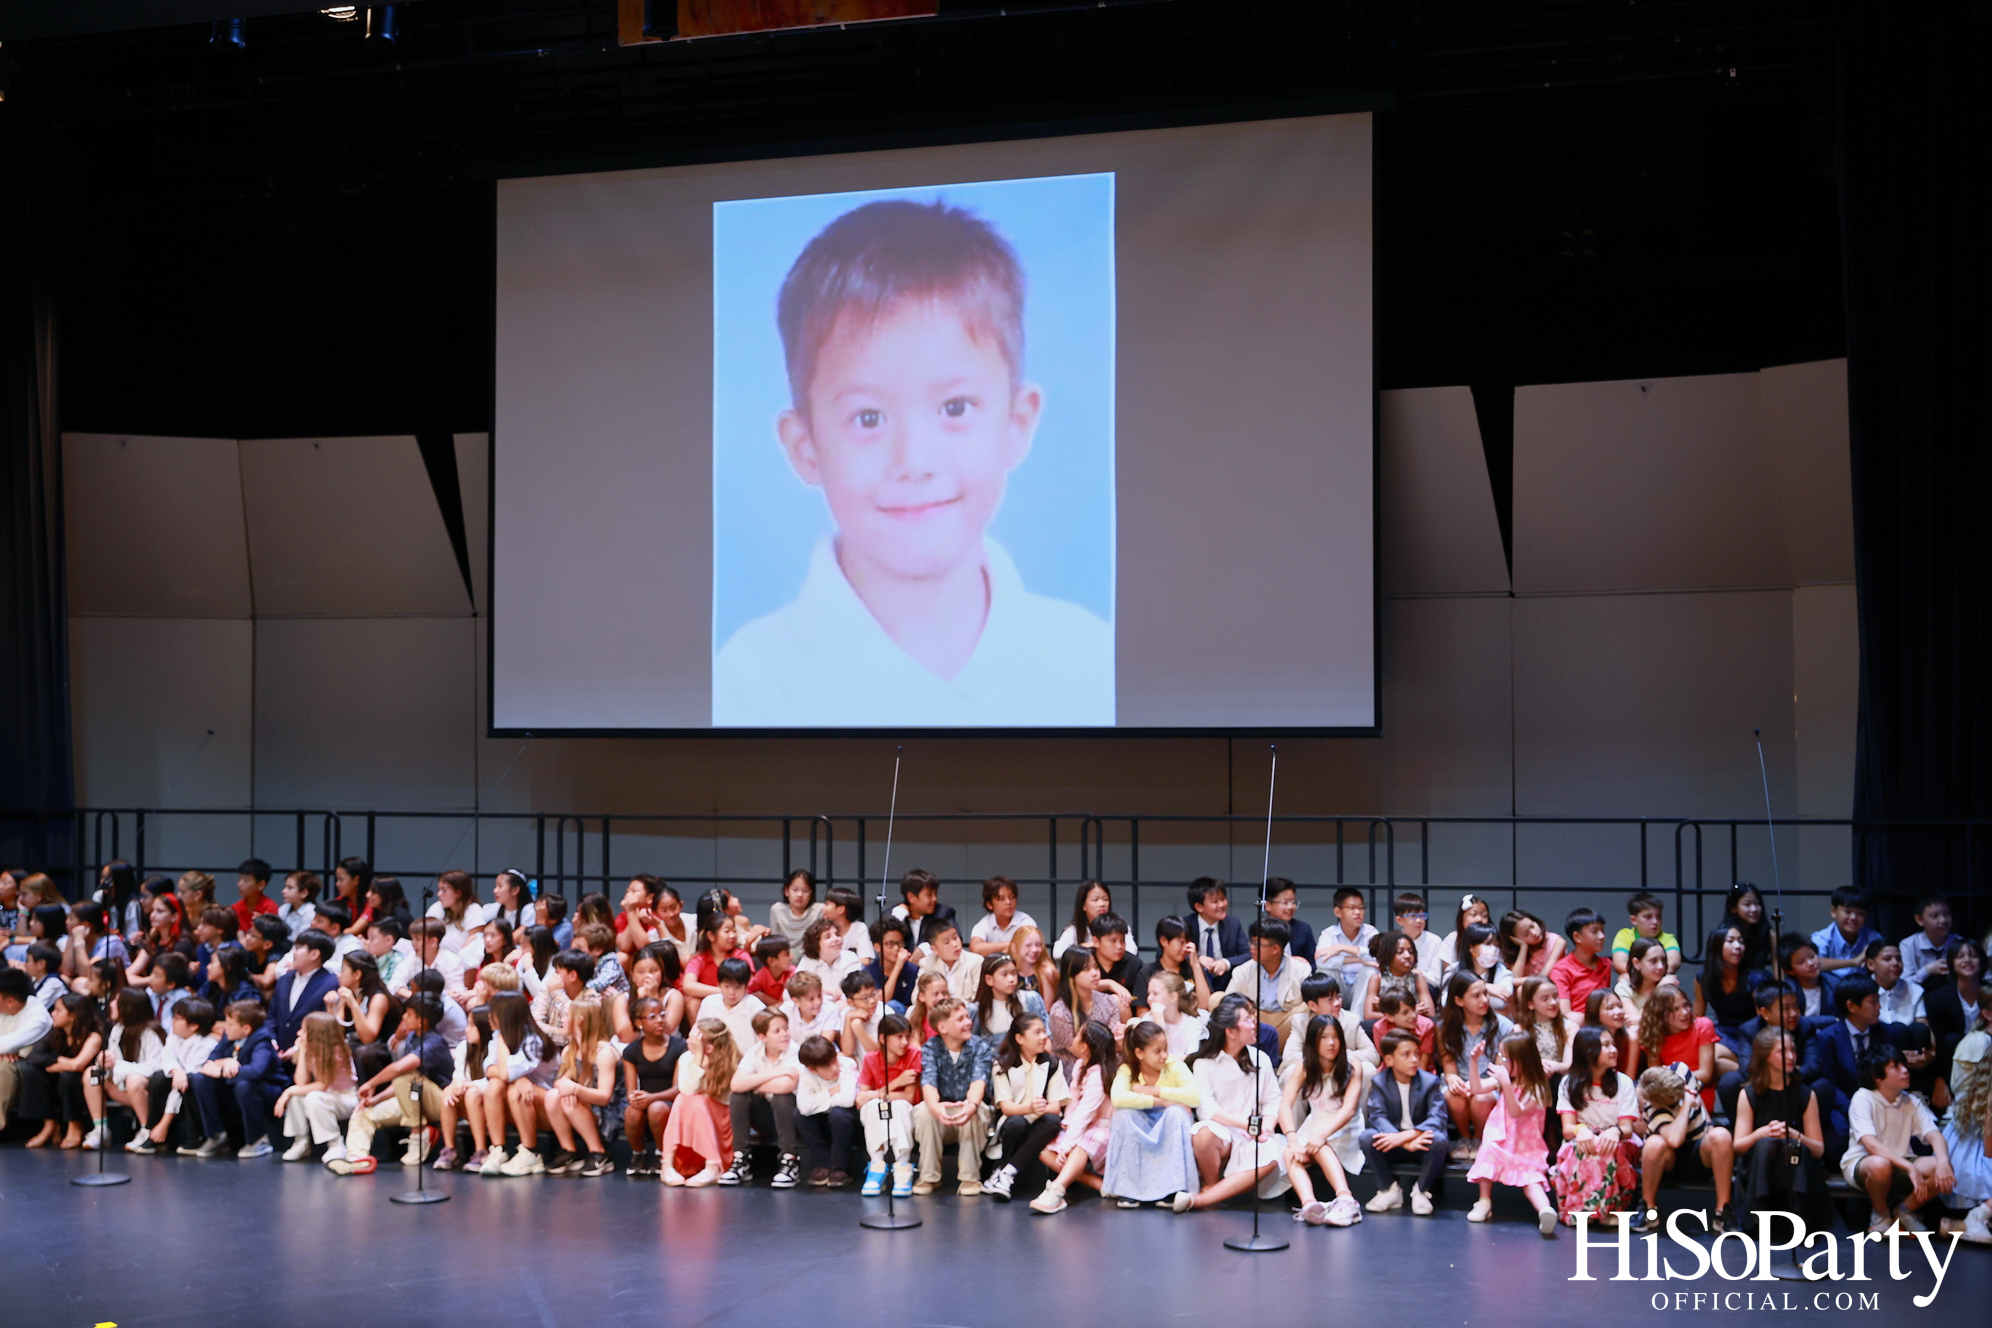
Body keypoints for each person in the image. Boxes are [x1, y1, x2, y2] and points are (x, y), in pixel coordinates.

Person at [712, 196, 1111, 727]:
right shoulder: (748, 683)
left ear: (1016, 424)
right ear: (805, 448)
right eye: (868, 418)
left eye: (955, 408)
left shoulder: (1088, 660)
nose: (914, 461)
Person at [1181, 993, 1288, 1211]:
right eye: (1247, 1020)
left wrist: (1266, 1128)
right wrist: (1245, 1125)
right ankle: (1210, 1184)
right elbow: (1207, 1109)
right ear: (1230, 1031)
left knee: (1274, 1151)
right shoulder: (1204, 1063)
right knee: (1203, 1134)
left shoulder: (1260, 1059)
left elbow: (1272, 1100)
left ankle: (1205, 1198)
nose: (1254, 1023)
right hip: (1223, 1131)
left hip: (1253, 1134)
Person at [328, 993, 452, 1174]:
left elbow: (401, 1070)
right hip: (414, 1099)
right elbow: (403, 1086)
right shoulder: (412, 1038)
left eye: (409, 1014)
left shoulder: (435, 1042)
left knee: (404, 1076)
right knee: (364, 1113)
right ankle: (357, 1159)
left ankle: (420, 1133)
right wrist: (375, 1099)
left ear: (421, 1021)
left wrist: (371, 1084)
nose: (404, 1017)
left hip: (442, 1103)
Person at [1732, 1023, 1835, 1237]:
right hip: (1760, 1166)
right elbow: (1739, 1145)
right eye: (1782, 1051)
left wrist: (1794, 1134)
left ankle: (1799, 1218)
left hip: (1797, 1166)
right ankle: (1760, 1218)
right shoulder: (1749, 1094)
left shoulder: (1805, 1094)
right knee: (1767, 1144)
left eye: (1793, 1050)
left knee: (1792, 1146)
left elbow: (1818, 1149)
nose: (1791, 1056)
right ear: (1766, 1056)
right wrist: (1762, 1133)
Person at [1844, 1047, 1953, 1234]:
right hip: (1864, 1163)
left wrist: (1943, 1162)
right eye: (1896, 1066)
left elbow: (1935, 1135)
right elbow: (1870, 1144)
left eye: (1904, 1065)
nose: (1905, 1070)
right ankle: (1880, 1214)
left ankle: (1904, 1211)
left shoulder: (1911, 1101)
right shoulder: (1863, 1097)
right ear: (1876, 1076)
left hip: (1901, 1160)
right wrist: (1910, 1167)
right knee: (1880, 1165)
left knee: (1940, 1167)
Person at [1467, 1031, 1558, 1236]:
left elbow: (1516, 1111)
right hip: (1500, 1136)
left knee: (1531, 1180)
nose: (1501, 1062)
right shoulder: (1505, 1081)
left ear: (1522, 1061)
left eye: (1505, 1058)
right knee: (1487, 1153)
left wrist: (1506, 1084)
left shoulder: (1537, 1088)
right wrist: (1474, 1061)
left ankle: (1545, 1210)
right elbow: (1476, 1088)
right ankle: (1484, 1201)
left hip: (1526, 1145)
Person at [1279, 1013, 1365, 1227]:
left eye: (1335, 1037)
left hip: (1345, 1126)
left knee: (1319, 1146)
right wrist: (1292, 1139)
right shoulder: (1304, 1067)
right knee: (1290, 1152)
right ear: (1313, 1041)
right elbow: (1284, 1105)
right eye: (1324, 1037)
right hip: (1315, 1122)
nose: (1331, 1043)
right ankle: (1310, 1205)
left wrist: (1321, 1136)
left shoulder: (1353, 1065)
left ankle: (1346, 1200)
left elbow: (1349, 1110)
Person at [1104, 1019, 1200, 1210]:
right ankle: (1129, 1190)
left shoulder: (1175, 1066)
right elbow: (1118, 1098)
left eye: (1165, 1049)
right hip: (1142, 1120)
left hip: (1167, 1121)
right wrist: (1161, 1102)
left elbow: (1194, 1097)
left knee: (1176, 1113)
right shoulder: (1127, 1070)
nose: (1164, 1055)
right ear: (1139, 1053)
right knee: (1123, 1116)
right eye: (1157, 1051)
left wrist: (1154, 1091)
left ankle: (1172, 1188)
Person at [1550, 1025, 1640, 1226]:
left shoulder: (1623, 1083)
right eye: (1606, 1045)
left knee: (1605, 1148)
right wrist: (1580, 1130)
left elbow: (1627, 1128)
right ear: (1589, 1051)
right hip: (1583, 1137)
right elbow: (1568, 1128)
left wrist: (1615, 1131)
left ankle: (1606, 1211)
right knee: (1584, 1148)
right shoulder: (1569, 1083)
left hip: (1617, 1138)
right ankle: (1583, 1211)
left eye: (1613, 1045)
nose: (1613, 1050)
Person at [1633, 1062, 1734, 1233]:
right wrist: (1686, 1104)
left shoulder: (1681, 1070)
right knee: (1654, 1143)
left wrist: (1708, 1122)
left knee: (1721, 1135)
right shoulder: (1653, 1106)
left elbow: (1697, 1090)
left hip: (1699, 1152)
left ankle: (1723, 1212)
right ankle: (1648, 1209)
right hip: (1668, 1161)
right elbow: (1674, 1140)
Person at [1358, 1026, 1449, 1215]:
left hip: (1420, 1143)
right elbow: (1377, 1116)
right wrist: (1402, 1141)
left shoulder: (1429, 1082)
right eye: (1406, 1055)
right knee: (1367, 1138)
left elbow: (1438, 1118)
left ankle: (1421, 1191)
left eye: (1416, 1054)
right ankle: (1389, 1190)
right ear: (1389, 1060)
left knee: (1439, 1140)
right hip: (1395, 1143)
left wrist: (1407, 1136)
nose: (1414, 1059)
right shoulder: (1380, 1082)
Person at [1031, 1019, 1116, 1214]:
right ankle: (1098, 1184)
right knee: (1044, 1150)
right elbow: (1074, 1103)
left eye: (1078, 1036)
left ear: (1085, 1047)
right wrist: (1067, 1125)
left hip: (1102, 1126)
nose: (1074, 1038)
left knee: (1081, 1144)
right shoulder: (1080, 1065)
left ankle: (1057, 1190)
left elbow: (1085, 1113)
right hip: (1081, 1125)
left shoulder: (1098, 1075)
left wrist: (1069, 1144)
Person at [983, 1013, 1070, 1203]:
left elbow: (1055, 1106)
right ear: (1020, 1038)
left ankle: (1005, 1172)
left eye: (1044, 1031)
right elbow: (1006, 1107)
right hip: (1014, 1119)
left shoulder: (1052, 1063)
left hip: (1041, 1120)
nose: (1044, 1037)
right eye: (1037, 1032)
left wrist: (1039, 1109)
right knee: (1016, 1123)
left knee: (1052, 1121)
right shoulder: (1003, 1064)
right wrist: (1029, 1108)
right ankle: (1003, 1171)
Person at [913, 997, 993, 1196]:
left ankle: (969, 1178)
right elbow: (928, 1083)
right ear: (942, 1027)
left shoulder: (979, 1047)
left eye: (967, 1017)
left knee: (974, 1111)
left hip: (969, 1110)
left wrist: (971, 1105)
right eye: (960, 1019)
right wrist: (936, 1108)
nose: (968, 1022)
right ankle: (928, 1176)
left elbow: (978, 1082)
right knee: (923, 1111)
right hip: (943, 1113)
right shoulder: (931, 1048)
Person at [185, 999, 283, 1159]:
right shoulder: (229, 1036)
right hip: (236, 1086)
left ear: (246, 1028)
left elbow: (255, 1071)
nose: (225, 1027)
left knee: (245, 1085)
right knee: (200, 1079)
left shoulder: (262, 1040)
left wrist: (222, 1072)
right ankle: (216, 1135)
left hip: (267, 1091)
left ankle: (258, 1140)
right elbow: (210, 1062)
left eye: (230, 1024)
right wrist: (226, 1061)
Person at [480, 989, 562, 1177]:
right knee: (495, 1086)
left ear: (507, 1015)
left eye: (494, 1012)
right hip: (526, 1104)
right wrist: (519, 1078)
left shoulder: (533, 1039)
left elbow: (505, 1072)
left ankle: (530, 1152)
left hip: (552, 1107)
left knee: (514, 1091)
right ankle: (498, 1149)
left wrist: (514, 1076)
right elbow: (489, 1069)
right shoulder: (499, 1035)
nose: (489, 1016)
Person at [724, 1007, 805, 1188]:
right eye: (777, 1031)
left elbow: (785, 1086)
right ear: (762, 1037)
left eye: (786, 1028)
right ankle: (741, 1159)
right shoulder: (755, 1052)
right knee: (738, 1096)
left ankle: (790, 1160)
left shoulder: (795, 1051)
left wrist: (753, 1084)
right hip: (766, 1118)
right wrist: (778, 1073)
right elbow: (736, 1084)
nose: (784, 1034)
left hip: (793, 1120)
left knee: (782, 1097)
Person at [128, 997, 219, 1155]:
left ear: (194, 1026)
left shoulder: (207, 1045)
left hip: (197, 1097)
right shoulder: (174, 1036)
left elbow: (182, 1084)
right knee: (158, 1078)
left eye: (178, 1019)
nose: (172, 1022)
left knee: (187, 1082)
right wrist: (177, 1070)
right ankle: (152, 1132)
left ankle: (194, 1137)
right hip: (179, 1086)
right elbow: (166, 1058)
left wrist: (165, 1122)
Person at [1437, 972, 1511, 1158]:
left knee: (1480, 1099)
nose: (1484, 1000)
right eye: (1476, 996)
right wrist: (1452, 1077)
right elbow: (1448, 1062)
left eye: (1485, 993)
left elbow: (1500, 1070)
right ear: (1459, 1000)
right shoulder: (1445, 1027)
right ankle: (1465, 1138)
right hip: (1462, 1080)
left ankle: (1479, 1138)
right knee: (1453, 1096)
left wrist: (1479, 1085)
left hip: (1490, 1083)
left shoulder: (1502, 1026)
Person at [659, 1019, 738, 1186]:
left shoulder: (731, 1059)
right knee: (683, 1099)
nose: (688, 1041)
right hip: (694, 1118)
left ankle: (713, 1165)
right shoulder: (687, 1058)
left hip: (721, 1118)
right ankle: (667, 1165)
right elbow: (687, 1089)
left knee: (698, 1100)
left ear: (709, 1047)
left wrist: (701, 1057)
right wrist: (698, 1058)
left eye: (694, 1039)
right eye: (690, 1037)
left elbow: (725, 1099)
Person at [275, 1011, 357, 1165]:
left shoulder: (337, 1051)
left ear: (317, 1034)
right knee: (297, 1096)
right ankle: (301, 1141)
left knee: (312, 1097)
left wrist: (288, 1091)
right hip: (327, 1096)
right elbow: (301, 1083)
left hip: (346, 1097)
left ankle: (336, 1144)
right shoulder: (310, 1049)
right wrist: (302, 1051)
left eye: (304, 1030)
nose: (298, 1033)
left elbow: (323, 1084)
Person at [855, 1011, 921, 1197]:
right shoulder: (870, 1059)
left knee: (897, 1105)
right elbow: (861, 1100)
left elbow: (908, 1097)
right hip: (879, 1109)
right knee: (873, 1105)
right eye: (899, 1037)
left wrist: (875, 1094)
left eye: (907, 1037)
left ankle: (903, 1165)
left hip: (905, 1109)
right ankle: (877, 1164)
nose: (905, 1042)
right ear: (883, 1039)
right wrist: (896, 1082)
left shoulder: (914, 1055)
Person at [620, 995, 685, 1178]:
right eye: (652, 1017)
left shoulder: (679, 1046)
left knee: (656, 1109)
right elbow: (631, 1090)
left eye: (662, 1015)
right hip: (647, 1101)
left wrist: (651, 1098)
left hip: (670, 1103)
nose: (660, 1020)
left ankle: (662, 1155)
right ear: (639, 1023)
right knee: (631, 1112)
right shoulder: (631, 1051)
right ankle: (638, 1154)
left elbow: (679, 1089)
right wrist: (635, 1097)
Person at [1225, 918, 1308, 1043]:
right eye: (1251, 942)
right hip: (1254, 1023)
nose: (1251, 947)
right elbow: (1228, 1001)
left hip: (1286, 1024)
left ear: (1275, 949)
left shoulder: (1301, 971)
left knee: (1309, 1010)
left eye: (1256, 944)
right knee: (1217, 999)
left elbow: (1309, 1005)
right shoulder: (1243, 970)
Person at [1048, 946, 1125, 1080]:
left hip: (1108, 1064)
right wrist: (1115, 1045)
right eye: (1087, 969)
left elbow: (1115, 1042)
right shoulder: (1059, 1011)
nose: (1095, 973)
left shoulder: (1109, 1002)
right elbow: (1082, 1052)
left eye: (1096, 967)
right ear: (1072, 974)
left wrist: (1121, 1039)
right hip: (1075, 1070)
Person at [793, 1033, 859, 1186]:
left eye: (834, 1060)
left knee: (839, 1114)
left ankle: (840, 1169)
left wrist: (817, 1100)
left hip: (848, 1123)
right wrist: (830, 1092)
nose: (835, 1067)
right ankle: (822, 1164)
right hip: (822, 1122)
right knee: (799, 1115)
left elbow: (847, 1100)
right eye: (826, 1066)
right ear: (812, 1069)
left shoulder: (847, 1065)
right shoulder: (805, 1073)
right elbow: (804, 1107)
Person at [0, 967, 55, 1131]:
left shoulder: (38, 1016)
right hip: (8, 1057)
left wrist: (5, 1050)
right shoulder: (5, 1007)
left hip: (31, 1064)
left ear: (10, 1001)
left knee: (3, 1068)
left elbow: (9, 1044)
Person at [1316, 887, 1381, 1013]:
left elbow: (1378, 956)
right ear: (1338, 912)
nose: (1358, 912)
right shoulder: (1329, 934)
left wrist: (1342, 948)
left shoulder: (1371, 932)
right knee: (1325, 971)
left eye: (1361, 908)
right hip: (1339, 986)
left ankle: (1357, 1019)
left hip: (1361, 986)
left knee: (1371, 971)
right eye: (1352, 908)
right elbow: (1321, 961)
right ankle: (1329, 1016)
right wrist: (1359, 960)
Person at [1811, 886, 1883, 996]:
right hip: (1830, 992)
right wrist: (1853, 962)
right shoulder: (1821, 938)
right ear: (1833, 911)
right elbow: (1814, 964)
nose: (1853, 917)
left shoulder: (1873, 937)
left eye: (1860, 913)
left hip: (1864, 994)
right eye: (1847, 912)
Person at [1136, 917, 1214, 1018]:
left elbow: (1204, 1005)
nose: (1185, 948)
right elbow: (1142, 1014)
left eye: (1188, 942)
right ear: (1163, 941)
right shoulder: (1146, 972)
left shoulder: (1193, 968)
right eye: (1181, 942)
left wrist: (1196, 966)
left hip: (1191, 1023)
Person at [1551, 908, 1614, 1022]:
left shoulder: (1606, 964)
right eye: (1594, 931)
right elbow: (1565, 1013)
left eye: (1602, 931)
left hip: (1604, 1021)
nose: (1602, 936)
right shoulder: (1561, 970)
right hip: (1577, 1024)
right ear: (1577, 937)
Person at [972, 953, 1047, 1045]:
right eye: (1005, 974)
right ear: (989, 979)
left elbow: (1046, 1033)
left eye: (1014, 973)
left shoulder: (1030, 999)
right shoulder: (976, 1010)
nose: (1012, 979)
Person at [1362, 930, 1434, 1022]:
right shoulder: (1377, 979)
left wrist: (1389, 1011)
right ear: (1388, 956)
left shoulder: (1418, 978)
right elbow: (1368, 1015)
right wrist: (1412, 1011)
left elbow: (1430, 1013)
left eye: (1411, 952)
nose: (1407, 956)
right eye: (1400, 952)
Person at [1185, 877, 1249, 978]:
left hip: (1225, 981)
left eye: (1223, 899)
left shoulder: (1233, 924)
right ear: (1199, 907)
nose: (1222, 905)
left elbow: (1249, 954)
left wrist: (1226, 963)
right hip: (1191, 980)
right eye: (1215, 902)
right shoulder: (1186, 925)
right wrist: (1197, 959)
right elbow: (1167, 953)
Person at [1612, 891, 1682, 976]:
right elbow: (1619, 964)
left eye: (1658, 917)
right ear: (1634, 920)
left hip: (1659, 979)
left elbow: (1674, 963)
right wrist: (1646, 978)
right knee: (1624, 977)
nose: (1655, 922)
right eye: (1648, 917)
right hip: (1636, 979)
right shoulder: (1624, 935)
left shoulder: (1668, 938)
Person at [1146, 970, 1211, 1061]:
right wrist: (1158, 1020)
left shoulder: (1192, 1025)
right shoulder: (1148, 1019)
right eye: (1149, 993)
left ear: (1173, 997)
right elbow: (1150, 1058)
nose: (1149, 998)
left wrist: (1160, 1024)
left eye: (1155, 993)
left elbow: (1189, 1060)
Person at [1899, 892, 1957, 986]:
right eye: (1935, 916)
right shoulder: (1908, 944)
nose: (1943, 920)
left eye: (1946, 914)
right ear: (1919, 919)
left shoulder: (1959, 943)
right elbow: (1904, 984)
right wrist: (1927, 970)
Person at [917, 918, 982, 1002]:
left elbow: (978, 998)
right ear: (934, 949)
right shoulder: (926, 963)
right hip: (936, 1008)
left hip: (964, 1008)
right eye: (947, 942)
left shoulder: (975, 961)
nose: (955, 944)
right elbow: (917, 996)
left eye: (955, 938)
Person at [1864, 940, 1927, 1027]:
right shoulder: (1861, 991)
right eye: (1887, 959)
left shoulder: (1914, 990)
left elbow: (1923, 1028)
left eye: (1898, 959)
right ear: (1870, 964)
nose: (1895, 963)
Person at [863, 916, 919, 1009]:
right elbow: (881, 1002)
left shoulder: (912, 970)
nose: (897, 948)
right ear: (877, 947)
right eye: (890, 944)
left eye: (900, 943)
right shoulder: (869, 972)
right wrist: (897, 967)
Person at [1051, 879, 1113, 960]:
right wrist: (1086, 947)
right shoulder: (1074, 930)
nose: (1102, 904)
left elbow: (1129, 950)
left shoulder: (1117, 927)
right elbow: (1058, 953)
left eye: (1105, 899)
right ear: (1083, 905)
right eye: (1095, 900)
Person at [1263, 877, 1316, 967]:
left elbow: (1313, 964)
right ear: (1268, 905)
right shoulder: (1259, 930)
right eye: (1285, 902)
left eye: (1293, 902)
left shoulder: (1303, 929)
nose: (1291, 907)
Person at [768, 869, 823, 950]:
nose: (800, 895)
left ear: (811, 893)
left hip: (810, 955)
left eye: (805, 891)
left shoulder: (819, 910)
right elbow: (774, 942)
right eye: (795, 890)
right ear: (786, 891)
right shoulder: (777, 910)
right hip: (784, 955)